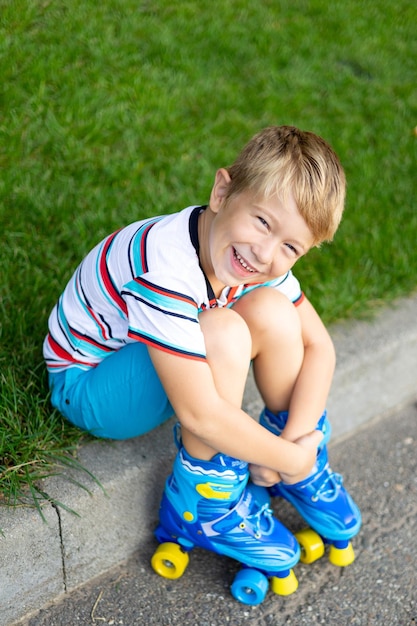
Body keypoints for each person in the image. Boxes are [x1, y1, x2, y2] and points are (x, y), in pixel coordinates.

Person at [43, 126, 361, 603]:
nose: (266, 254)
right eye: (262, 222)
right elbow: (199, 415)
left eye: (291, 248)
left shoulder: (252, 258)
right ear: (222, 191)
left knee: (274, 313)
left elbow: (320, 347)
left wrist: (296, 443)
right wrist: (290, 456)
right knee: (224, 331)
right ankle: (204, 501)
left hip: (161, 366)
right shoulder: (166, 266)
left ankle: (288, 474)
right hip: (91, 384)